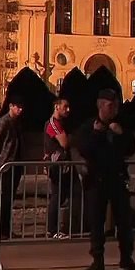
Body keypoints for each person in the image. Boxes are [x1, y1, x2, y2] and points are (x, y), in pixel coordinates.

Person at [71, 89, 135, 270]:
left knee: (124, 221)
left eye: (116, 104)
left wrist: (121, 134)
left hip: (117, 178)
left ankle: (126, 257)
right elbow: (83, 149)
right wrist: (97, 134)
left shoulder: (120, 125)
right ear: (101, 105)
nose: (114, 108)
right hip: (96, 180)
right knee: (96, 221)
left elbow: (131, 148)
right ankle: (98, 259)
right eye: (111, 105)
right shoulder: (89, 127)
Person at [0, 95, 25, 239]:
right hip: (5, 165)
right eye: (18, 107)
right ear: (11, 106)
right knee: (3, 199)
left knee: (9, 199)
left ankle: (5, 229)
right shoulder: (3, 122)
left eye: (22, 107)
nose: (20, 110)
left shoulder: (17, 123)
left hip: (15, 164)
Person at [44, 98, 81, 239]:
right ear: (56, 106)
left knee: (73, 194)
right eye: (65, 107)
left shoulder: (62, 123)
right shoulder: (53, 124)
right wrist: (71, 139)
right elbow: (65, 142)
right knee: (57, 196)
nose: (68, 110)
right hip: (58, 166)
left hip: (66, 164)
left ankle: (71, 226)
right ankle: (52, 230)